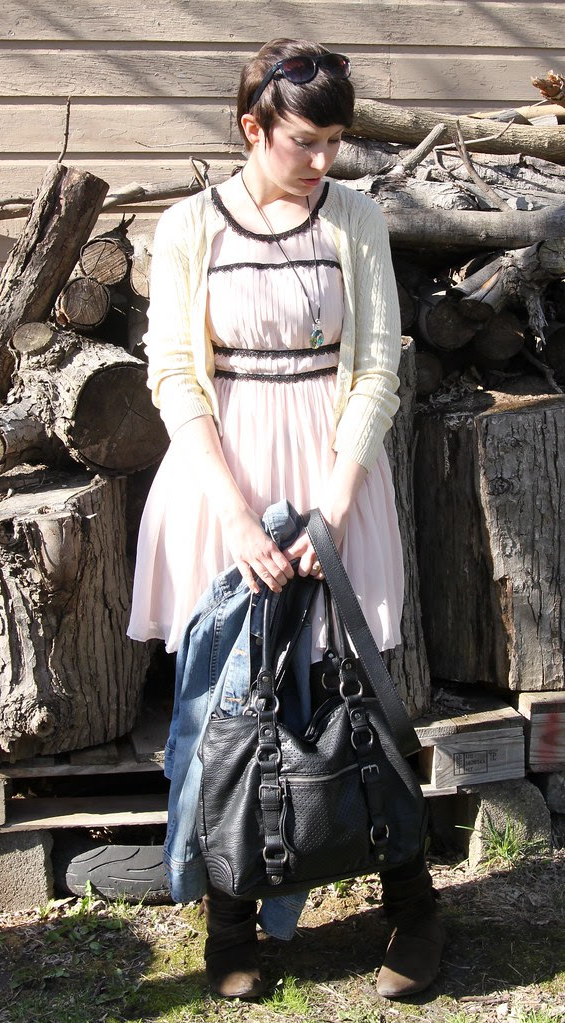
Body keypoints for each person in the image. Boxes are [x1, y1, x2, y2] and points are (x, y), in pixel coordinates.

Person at [128, 38, 444, 1001]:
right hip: (220, 480)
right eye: (304, 141)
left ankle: (414, 905)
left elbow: (378, 366)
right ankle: (232, 920)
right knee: (226, 702)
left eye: (334, 141)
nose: (322, 160)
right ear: (251, 128)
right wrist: (234, 518)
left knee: (358, 694)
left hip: (332, 474)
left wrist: (333, 508)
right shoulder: (189, 227)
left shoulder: (354, 216)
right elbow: (174, 373)